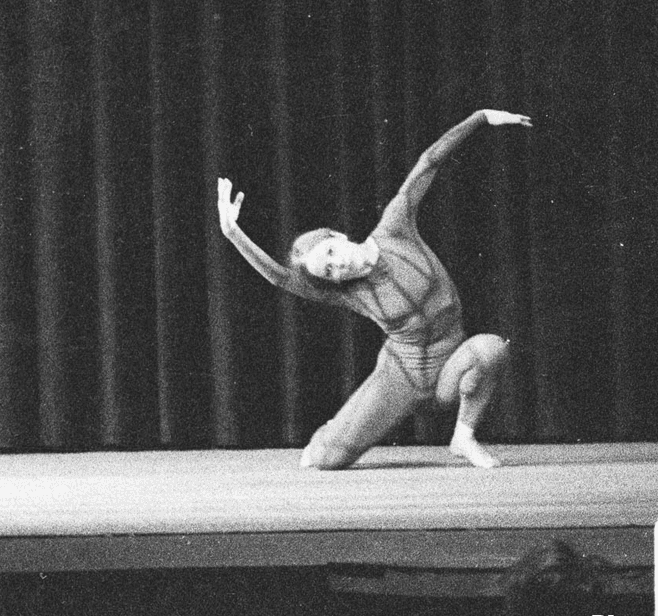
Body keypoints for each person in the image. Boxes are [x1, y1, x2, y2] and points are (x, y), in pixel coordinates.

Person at [216, 109, 532, 470]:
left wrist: (480, 118)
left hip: (450, 371)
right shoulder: (348, 292)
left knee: (491, 349)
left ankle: (463, 437)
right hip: (402, 377)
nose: (339, 266)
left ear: (337, 235)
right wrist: (233, 234)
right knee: (324, 460)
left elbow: (428, 163)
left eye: (332, 253)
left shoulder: (395, 228)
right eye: (330, 271)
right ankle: (331, 436)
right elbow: (280, 278)